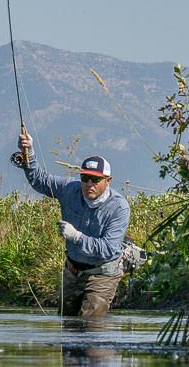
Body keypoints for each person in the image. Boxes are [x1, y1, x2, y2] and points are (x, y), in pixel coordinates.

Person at [15, 131, 130, 316]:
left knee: (90, 323)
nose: (89, 183)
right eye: (85, 178)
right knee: (66, 324)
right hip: (73, 269)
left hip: (103, 273)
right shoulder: (70, 189)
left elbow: (108, 249)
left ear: (108, 181)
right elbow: (40, 180)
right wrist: (29, 152)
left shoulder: (119, 208)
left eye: (96, 179)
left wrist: (76, 236)